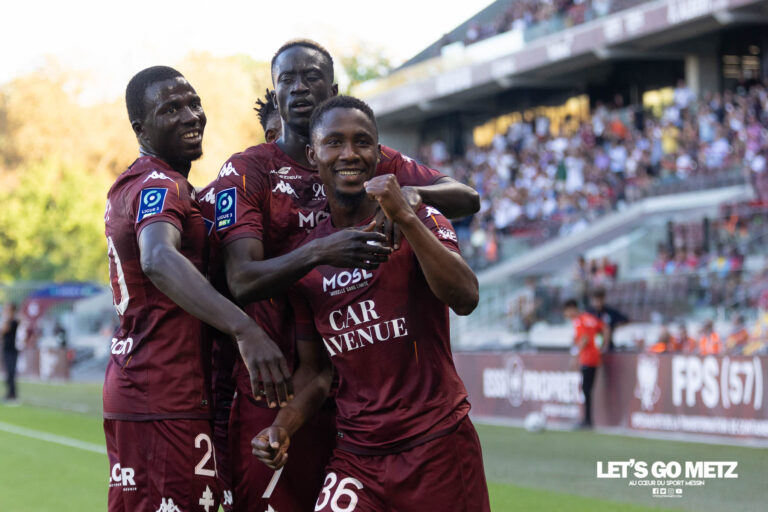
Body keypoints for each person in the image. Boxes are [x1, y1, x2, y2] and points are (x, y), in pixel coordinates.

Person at [200, 39, 480, 512]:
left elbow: (466, 205)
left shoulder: (377, 166)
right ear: (314, 156)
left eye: (311, 77)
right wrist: (316, 254)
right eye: (286, 79)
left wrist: (413, 202)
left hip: (423, 429)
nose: (298, 88)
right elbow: (241, 279)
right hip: (284, 382)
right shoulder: (249, 171)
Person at [252, 96, 490, 511]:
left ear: (379, 154)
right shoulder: (311, 257)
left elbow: (466, 297)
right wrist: (281, 427)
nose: (349, 154)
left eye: (362, 142)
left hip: (436, 446)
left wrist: (408, 217)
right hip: (357, 458)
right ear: (313, 154)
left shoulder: (422, 218)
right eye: (334, 143)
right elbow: (317, 373)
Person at [103, 65, 290, 512]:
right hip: (160, 393)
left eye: (193, 103)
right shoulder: (157, 183)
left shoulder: (166, 185)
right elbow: (158, 257)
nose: (191, 116)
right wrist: (247, 330)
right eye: (171, 109)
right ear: (140, 128)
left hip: (169, 392)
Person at [563, 298, 605, 429]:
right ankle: (587, 419)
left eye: (566, 312)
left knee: (586, 390)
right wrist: (604, 345)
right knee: (587, 390)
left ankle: (587, 420)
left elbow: (585, 339)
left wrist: (575, 356)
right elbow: (604, 328)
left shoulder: (579, 320)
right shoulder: (589, 318)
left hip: (587, 358)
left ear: (572, 309)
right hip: (595, 357)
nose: (566, 315)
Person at [2, 303, 19, 403]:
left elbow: (4, 330)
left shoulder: (14, 322)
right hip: (6, 349)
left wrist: (5, 318)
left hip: (13, 350)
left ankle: (12, 394)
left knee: (11, 372)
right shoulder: (9, 321)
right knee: (8, 373)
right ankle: (10, 393)